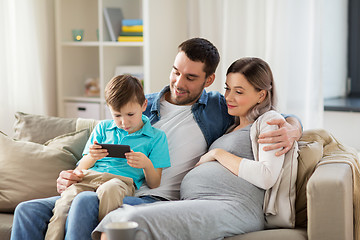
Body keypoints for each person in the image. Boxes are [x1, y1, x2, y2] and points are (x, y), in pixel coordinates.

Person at [11, 38, 302, 240]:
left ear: (208, 80)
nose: (178, 82)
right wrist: (71, 175)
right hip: (106, 184)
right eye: (176, 72)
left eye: (190, 77)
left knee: (87, 203)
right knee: (28, 210)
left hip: (150, 198)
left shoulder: (219, 108)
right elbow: (97, 147)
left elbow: (268, 113)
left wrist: (293, 127)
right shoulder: (139, 105)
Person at [95, 57, 293, 240]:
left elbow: (267, 175)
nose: (229, 98)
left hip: (231, 207)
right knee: (120, 218)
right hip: (197, 201)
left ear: (261, 95)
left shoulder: (268, 120)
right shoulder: (230, 124)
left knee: (127, 220)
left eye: (239, 92)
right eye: (227, 89)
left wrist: (218, 154)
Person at [44, 75, 170, 240]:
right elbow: (80, 168)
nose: (124, 122)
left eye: (130, 114)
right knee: (65, 201)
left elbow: (155, 183)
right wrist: (92, 157)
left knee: (109, 189)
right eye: (117, 115)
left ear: (144, 105)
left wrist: (146, 164)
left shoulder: (156, 137)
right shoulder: (103, 128)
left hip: (120, 182)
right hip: (89, 178)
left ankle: (106, 236)